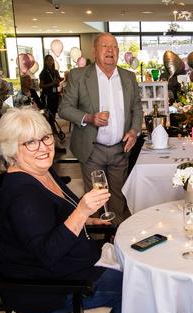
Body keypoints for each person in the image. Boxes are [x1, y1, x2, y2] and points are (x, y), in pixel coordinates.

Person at [0, 107, 122, 313]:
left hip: (68, 268)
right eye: (29, 142)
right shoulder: (23, 195)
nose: (42, 147)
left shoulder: (41, 171)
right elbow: (48, 254)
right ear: (12, 149)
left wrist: (86, 219)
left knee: (132, 264)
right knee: (132, 284)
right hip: (46, 290)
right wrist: (82, 210)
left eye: (46, 138)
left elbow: (53, 217)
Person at [59, 32, 143, 224]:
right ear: (94, 51)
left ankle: (116, 239)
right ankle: (97, 245)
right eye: (105, 46)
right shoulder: (79, 76)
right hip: (92, 149)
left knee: (118, 199)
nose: (110, 50)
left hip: (120, 150)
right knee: (94, 200)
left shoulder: (128, 77)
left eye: (114, 46)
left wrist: (134, 131)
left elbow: (137, 108)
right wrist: (89, 118)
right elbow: (64, 109)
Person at [39, 55, 63, 136]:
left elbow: (59, 80)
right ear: (45, 62)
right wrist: (52, 83)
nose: (50, 61)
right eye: (48, 60)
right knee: (49, 114)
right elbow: (41, 85)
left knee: (53, 112)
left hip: (55, 94)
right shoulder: (43, 73)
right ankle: (51, 129)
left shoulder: (55, 71)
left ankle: (52, 127)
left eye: (51, 60)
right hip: (47, 96)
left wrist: (59, 81)